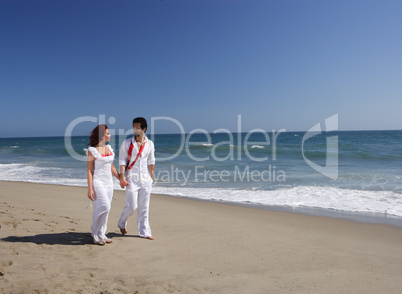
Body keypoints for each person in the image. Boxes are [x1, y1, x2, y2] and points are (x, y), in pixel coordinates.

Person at [118, 117, 155, 240]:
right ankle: (122, 222)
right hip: (131, 178)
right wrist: (121, 177)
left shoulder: (149, 144)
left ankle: (144, 232)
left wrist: (152, 177)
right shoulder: (127, 143)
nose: (135, 129)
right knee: (131, 206)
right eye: (134, 127)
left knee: (144, 207)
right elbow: (122, 160)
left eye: (138, 127)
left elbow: (151, 160)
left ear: (144, 129)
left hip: (145, 179)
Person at [87, 124, 120, 245]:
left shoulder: (109, 149)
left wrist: (120, 178)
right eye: (107, 133)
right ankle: (95, 233)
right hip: (98, 182)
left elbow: (112, 168)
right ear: (101, 135)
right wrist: (90, 189)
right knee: (104, 206)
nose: (109, 135)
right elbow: (90, 171)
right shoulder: (92, 151)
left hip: (109, 182)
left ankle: (101, 233)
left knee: (105, 209)